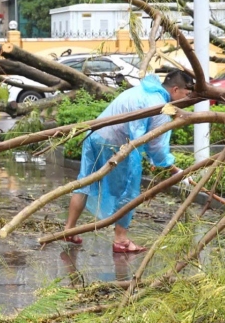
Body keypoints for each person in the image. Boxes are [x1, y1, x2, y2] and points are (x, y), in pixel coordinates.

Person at [62, 70, 193, 253]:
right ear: (176, 89)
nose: (186, 99)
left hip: (94, 135)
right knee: (127, 190)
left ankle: (69, 228)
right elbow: (157, 150)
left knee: (85, 181)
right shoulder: (160, 106)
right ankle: (121, 240)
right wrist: (175, 170)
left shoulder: (141, 90)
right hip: (114, 145)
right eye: (187, 94)